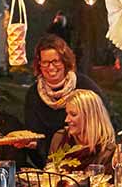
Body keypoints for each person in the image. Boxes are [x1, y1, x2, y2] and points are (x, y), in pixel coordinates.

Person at [24, 34, 104, 167]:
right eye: (45, 62)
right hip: (48, 162)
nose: (50, 67)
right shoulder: (33, 94)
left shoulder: (85, 86)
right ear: (39, 64)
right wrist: (36, 146)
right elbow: (33, 133)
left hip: (88, 160)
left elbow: (104, 124)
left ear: (65, 61)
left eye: (55, 61)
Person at [47, 89, 116, 173]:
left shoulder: (107, 151)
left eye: (73, 114)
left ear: (90, 117)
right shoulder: (59, 138)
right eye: (67, 114)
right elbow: (49, 176)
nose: (66, 120)